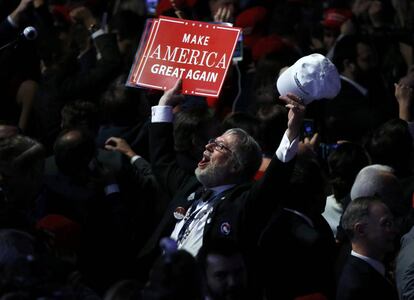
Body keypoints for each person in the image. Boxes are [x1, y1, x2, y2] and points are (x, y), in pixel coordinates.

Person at [136, 79, 304, 290]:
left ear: (236, 165)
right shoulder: (190, 187)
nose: (208, 146)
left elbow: (275, 180)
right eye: (212, 141)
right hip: (154, 283)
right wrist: (164, 105)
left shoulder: (243, 202)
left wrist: (293, 130)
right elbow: (162, 161)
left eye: (219, 146)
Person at [336, 196, 398, 300]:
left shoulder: (369, 271)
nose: (394, 230)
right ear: (360, 230)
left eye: (392, 223)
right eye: (386, 224)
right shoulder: (355, 289)